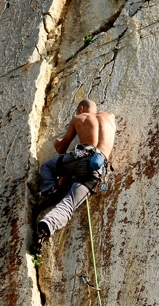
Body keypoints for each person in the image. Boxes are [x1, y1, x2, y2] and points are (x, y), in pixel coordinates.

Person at [37, 99, 116, 243]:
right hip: (97, 165)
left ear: (81, 108)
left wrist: (57, 142)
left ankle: (51, 189)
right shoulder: (110, 117)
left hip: (78, 157)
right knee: (69, 203)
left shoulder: (79, 118)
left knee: (47, 166)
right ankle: (46, 228)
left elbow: (61, 149)